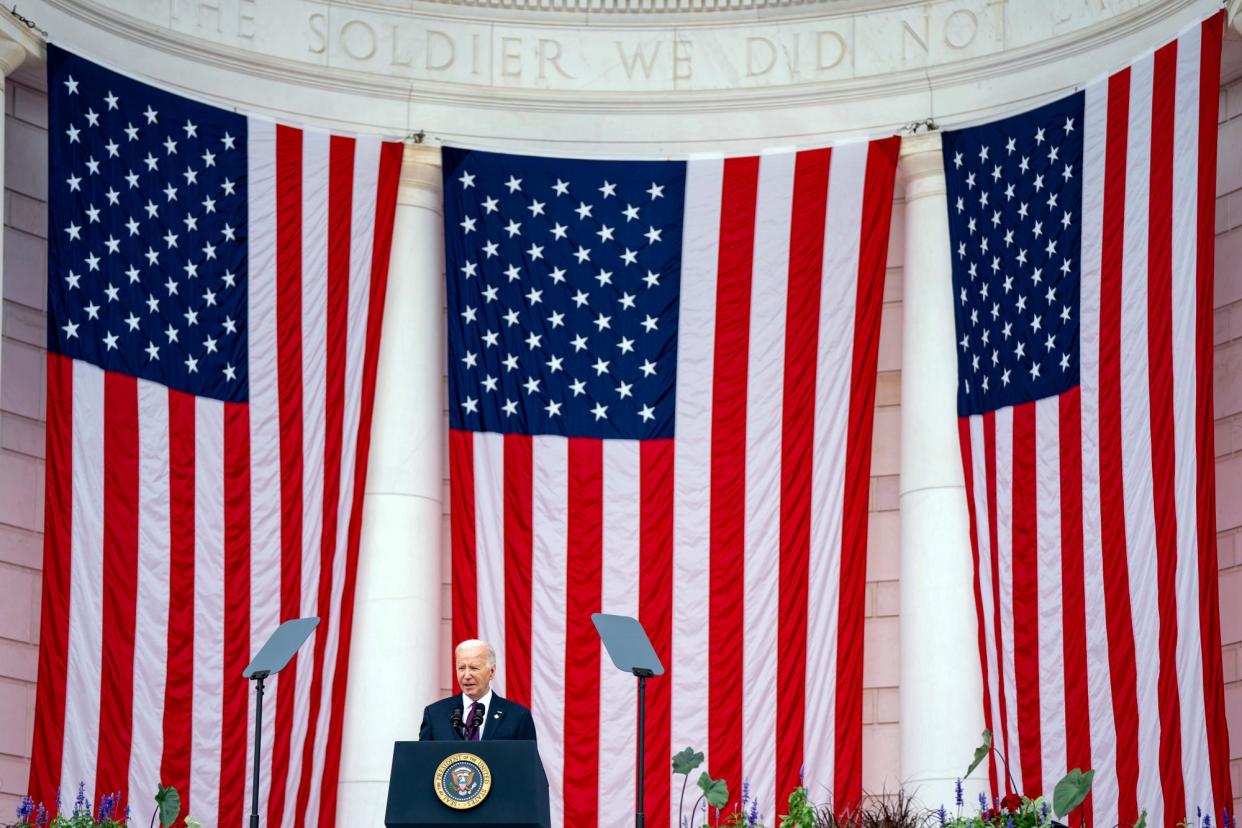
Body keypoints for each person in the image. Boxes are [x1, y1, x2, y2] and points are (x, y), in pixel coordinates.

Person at [418, 639, 538, 741]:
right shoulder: (434, 714)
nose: (467, 675)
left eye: (474, 668)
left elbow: (528, 765)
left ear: (492, 671)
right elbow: (422, 762)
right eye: (461, 668)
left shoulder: (518, 716)